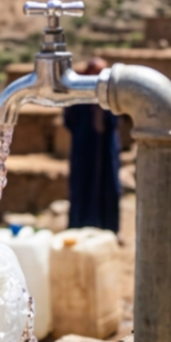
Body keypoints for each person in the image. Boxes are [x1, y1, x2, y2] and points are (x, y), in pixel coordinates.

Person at [63, 58, 121, 232]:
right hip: (84, 149)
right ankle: (78, 227)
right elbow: (69, 120)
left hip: (106, 149)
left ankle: (109, 229)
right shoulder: (77, 96)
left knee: (108, 188)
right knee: (82, 187)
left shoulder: (111, 96)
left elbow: (116, 119)